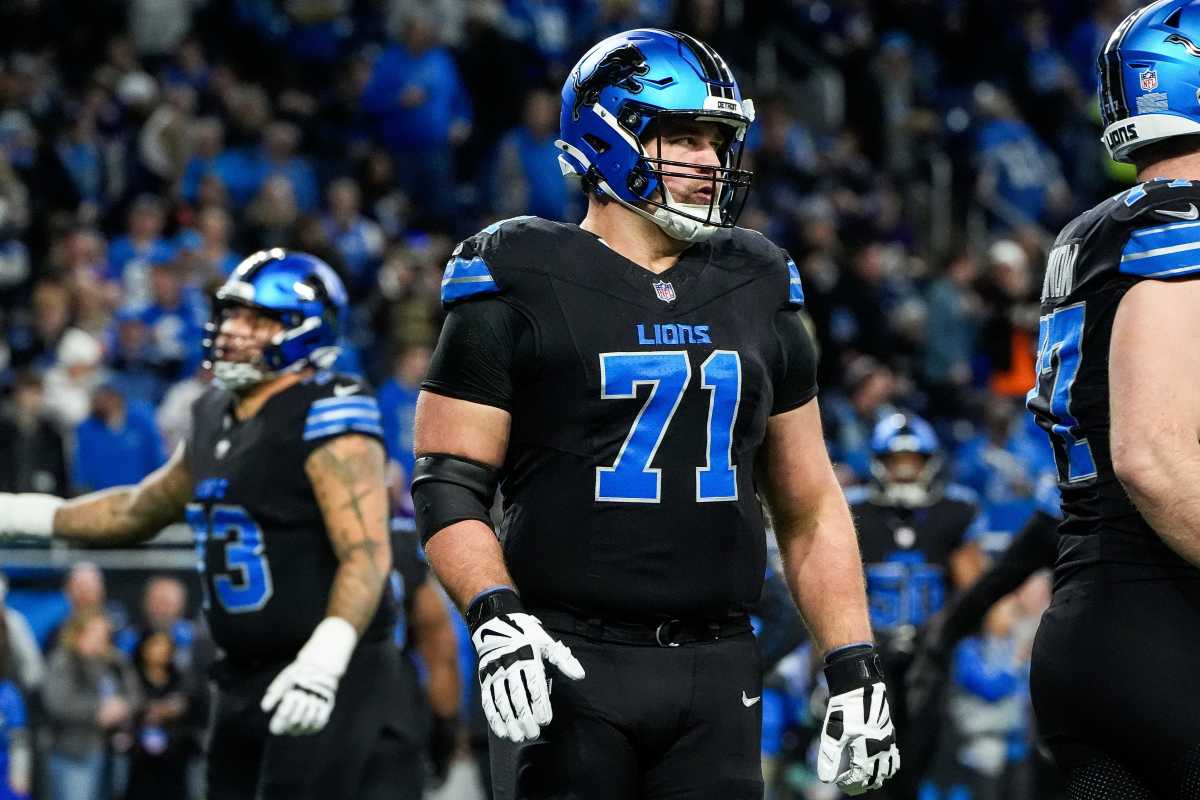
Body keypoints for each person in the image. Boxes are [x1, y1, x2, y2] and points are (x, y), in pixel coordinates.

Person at [411, 28, 899, 799]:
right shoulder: (520, 272)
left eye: (716, 140)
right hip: (568, 657)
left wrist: (854, 663)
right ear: (605, 135)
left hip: (721, 667)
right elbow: (446, 486)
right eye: (682, 136)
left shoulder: (757, 277)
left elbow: (809, 505)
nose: (709, 160)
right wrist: (494, 615)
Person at [0, 249, 406, 799]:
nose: (234, 330)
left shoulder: (329, 410)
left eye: (256, 319)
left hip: (329, 673)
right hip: (241, 676)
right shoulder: (215, 411)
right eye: (232, 315)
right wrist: (19, 514)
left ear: (302, 329)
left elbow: (366, 550)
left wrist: (325, 657)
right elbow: (138, 508)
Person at [1023, 2, 1200, 795]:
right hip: (1171, 631)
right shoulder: (1183, 223)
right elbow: (1153, 456)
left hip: (1095, 620)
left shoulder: (1092, 230)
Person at [848, 412, 984, 798]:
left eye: (913, 462)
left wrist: (944, 636)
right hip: (869, 653)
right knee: (867, 770)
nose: (905, 472)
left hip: (930, 651)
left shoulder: (954, 511)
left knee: (924, 757)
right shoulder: (855, 512)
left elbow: (974, 591)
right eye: (896, 462)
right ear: (878, 463)